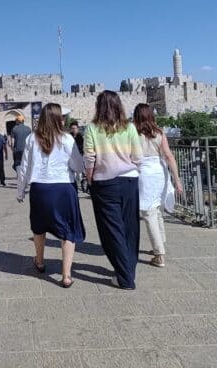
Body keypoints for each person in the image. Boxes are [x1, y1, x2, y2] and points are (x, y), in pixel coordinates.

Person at [17, 103, 85, 288]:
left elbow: (25, 166)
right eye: (62, 117)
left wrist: (20, 189)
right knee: (68, 229)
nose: (64, 120)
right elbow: (78, 165)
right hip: (63, 188)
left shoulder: (32, 138)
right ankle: (66, 275)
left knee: (39, 227)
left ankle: (39, 261)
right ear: (57, 118)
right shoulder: (67, 139)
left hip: (40, 188)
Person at [84, 91, 143, 289]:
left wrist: (89, 177)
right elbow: (138, 157)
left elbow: (89, 158)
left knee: (112, 230)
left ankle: (125, 277)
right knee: (130, 227)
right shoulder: (130, 127)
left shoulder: (92, 129)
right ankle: (129, 269)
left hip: (105, 183)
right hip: (129, 181)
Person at [133, 104, 183, 268]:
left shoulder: (133, 132)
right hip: (160, 172)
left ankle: (159, 253)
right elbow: (168, 156)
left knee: (149, 212)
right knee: (157, 209)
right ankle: (161, 241)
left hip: (143, 172)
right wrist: (177, 179)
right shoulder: (159, 133)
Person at [68, 120, 85, 192]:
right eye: (72, 128)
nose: (73, 129)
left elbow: (82, 146)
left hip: (80, 156)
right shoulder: (69, 136)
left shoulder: (80, 137)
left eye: (75, 128)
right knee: (73, 173)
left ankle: (80, 183)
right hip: (71, 156)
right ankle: (75, 185)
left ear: (77, 128)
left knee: (79, 173)